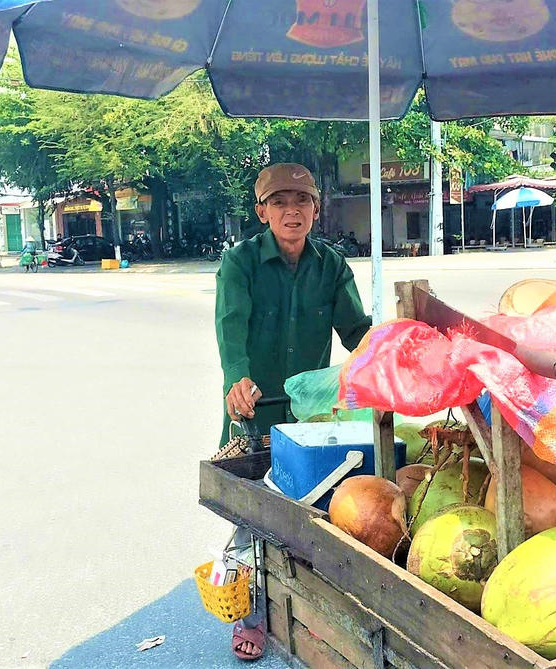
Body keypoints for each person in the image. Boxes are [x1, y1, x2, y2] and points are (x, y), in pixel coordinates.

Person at [214, 163, 371, 661]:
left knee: (318, 509)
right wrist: (236, 378)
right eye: (279, 202)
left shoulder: (332, 266)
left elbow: (355, 331)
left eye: (301, 201)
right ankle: (250, 615)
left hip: (312, 415)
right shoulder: (239, 263)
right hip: (252, 410)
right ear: (262, 211)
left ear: (316, 211)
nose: (291, 210)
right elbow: (230, 327)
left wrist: (388, 356)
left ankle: (308, 608)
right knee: (251, 517)